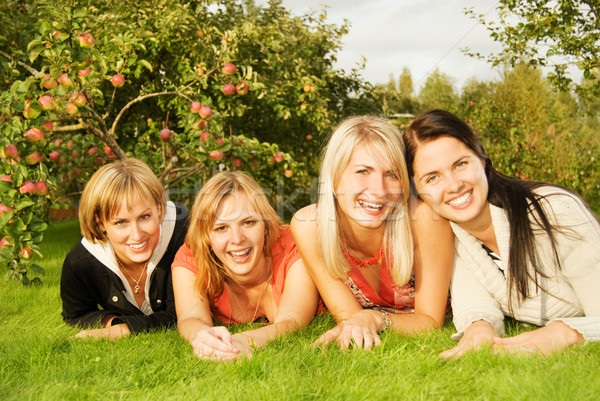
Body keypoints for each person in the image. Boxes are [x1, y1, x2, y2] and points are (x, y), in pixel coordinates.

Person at [404, 109, 600, 358]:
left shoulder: (555, 210)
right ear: (418, 191)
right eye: (433, 178)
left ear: (482, 160)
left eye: (461, 164)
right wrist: (479, 327)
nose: (453, 186)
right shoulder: (452, 232)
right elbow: (475, 301)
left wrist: (565, 332)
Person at [291, 115, 454, 350]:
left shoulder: (423, 220)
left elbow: (430, 320)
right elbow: (350, 317)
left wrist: (376, 319)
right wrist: (355, 323)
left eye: (392, 174)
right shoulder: (309, 226)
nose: (379, 190)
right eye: (363, 171)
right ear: (334, 178)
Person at [172, 171, 320, 361]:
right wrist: (203, 337)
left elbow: (291, 321)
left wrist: (244, 341)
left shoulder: (294, 245)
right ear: (206, 236)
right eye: (221, 228)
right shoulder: (193, 257)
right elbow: (192, 318)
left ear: (266, 226)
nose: (237, 239)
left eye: (248, 222)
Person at [60, 158, 188, 339]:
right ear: (100, 222)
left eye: (144, 217)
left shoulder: (184, 237)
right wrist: (111, 321)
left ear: (159, 209)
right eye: (120, 222)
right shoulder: (80, 263)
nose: (136, 235)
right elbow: (76, 314)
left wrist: (122, 330)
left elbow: (182, 314)